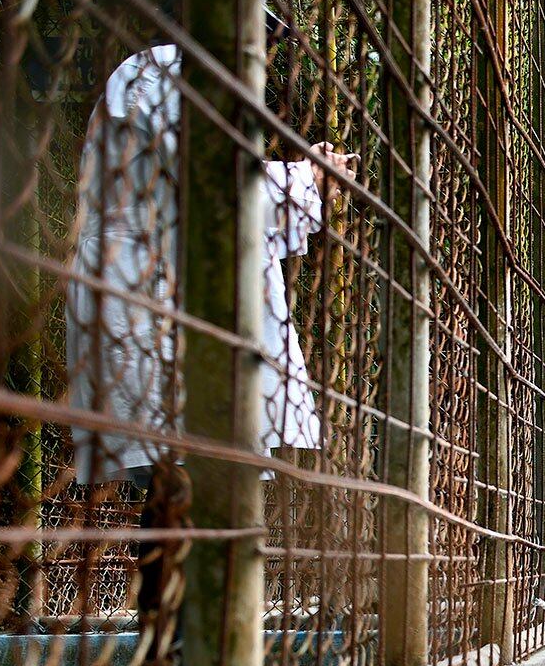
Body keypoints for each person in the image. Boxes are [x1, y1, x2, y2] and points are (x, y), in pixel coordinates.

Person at [65, 42, 357, 485]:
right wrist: (307, 178)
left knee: (203, 498)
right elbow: (217, 193)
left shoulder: (194, 77)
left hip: (177, 306)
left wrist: (305, 182)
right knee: (188, 493)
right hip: (152, 306)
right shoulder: (160, 73)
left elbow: (228, 199)